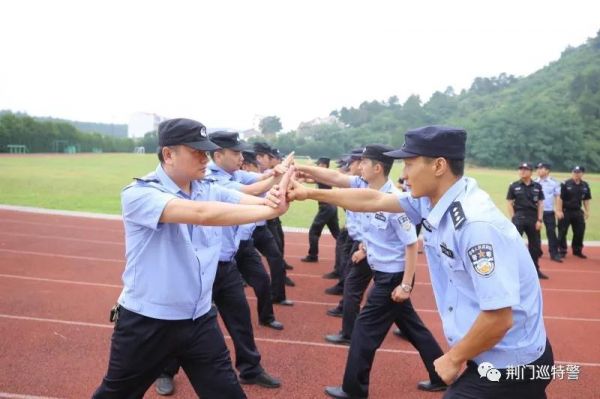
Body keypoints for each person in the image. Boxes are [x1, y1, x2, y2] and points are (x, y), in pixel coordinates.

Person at [287, 125, 554, 398]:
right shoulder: (432, 201)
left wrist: (453, 359)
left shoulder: (475, 225)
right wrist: (309, 193)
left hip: (512, 362)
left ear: (439, 166)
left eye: (409, 164)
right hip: (500, 354)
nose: (403, 174)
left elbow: (499, 317)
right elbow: (373, 199)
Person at [93, 118, 288, 399]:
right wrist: (269, 212)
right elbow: (202, 214)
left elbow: (242, 198)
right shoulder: (140, 194)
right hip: (149, 322)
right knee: (117, 394)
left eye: (206, 151)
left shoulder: (205, 187)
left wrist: (274, 201)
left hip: (199, 319)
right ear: (169, 154)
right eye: (196, 151)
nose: (205, 158)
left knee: (227, 393)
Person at [319, 144, 446, 398]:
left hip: (393, 277)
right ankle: (441, 373)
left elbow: (411, 244)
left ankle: (353, 390)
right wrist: (364, 248)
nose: (359, 166)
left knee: (363, 332)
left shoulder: (395, 203)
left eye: (363, 163)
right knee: (413, 327)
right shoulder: (370, 193)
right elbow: (377, 234)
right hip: (384, 273)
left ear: (377, 168)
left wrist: (406, 285)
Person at [252, 142, 294, 305]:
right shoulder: (242, 175)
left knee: (276, 258)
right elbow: (257, 185)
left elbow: (273, 176)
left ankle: (278, 295)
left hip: (262, 225)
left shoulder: (267, 172)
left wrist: (286, 169)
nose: (268, 160)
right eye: (264, 157)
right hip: (244, 228)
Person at [506, 162, 548, 279]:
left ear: (531, 172)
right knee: (514, 245)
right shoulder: (514, 186)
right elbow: (509, 202)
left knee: (535, 246)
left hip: (533, 219)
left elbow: (540, 204)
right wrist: (513, 218)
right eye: (520, 169)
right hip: (519, 218)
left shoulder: (537, 186)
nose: (522, 171)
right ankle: (513, 271)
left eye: (525, 169)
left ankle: (535, 270)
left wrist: (540, 220)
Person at [301, 157, 341, 262]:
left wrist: (305, 171)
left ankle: (313, 256)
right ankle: (348, 252)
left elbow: (310, 178)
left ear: (324, 165)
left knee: (313, 232)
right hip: (331, 207)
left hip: (326, 208)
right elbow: (310, 179)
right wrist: (302, 178)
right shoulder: (326, 176)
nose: (318, 167)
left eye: (319, 164)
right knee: (337, 234)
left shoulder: (324, 175)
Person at [557, 165, 592, 258]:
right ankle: (562, 250)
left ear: (582, 173)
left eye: (578, 172)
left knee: (579, 231)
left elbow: (586, 199)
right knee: (562, 232)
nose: (576, 174)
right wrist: (559, 210)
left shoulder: (585, 185)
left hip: (577, 211)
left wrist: (587, 211)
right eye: (574, 172)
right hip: (565, 211)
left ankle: (577, 250)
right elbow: (559, 198)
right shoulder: (565, 184)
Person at [534, 162, 563, 263]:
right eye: (537, 168)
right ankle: (537, 252)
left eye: (541, 168)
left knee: (551, 233)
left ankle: (554, 253)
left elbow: (558, 197)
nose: (538, 170)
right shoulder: (534, 182)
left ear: (547, 170)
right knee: (535, 234)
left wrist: (558, 210)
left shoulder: (554, 182)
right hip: (536, 212)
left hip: (549, 211)